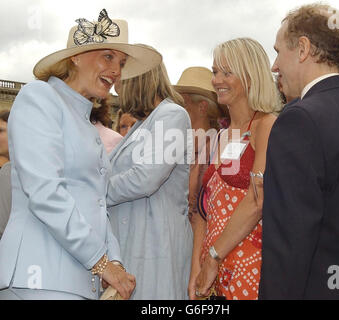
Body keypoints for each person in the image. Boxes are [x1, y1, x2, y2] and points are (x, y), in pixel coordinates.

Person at [0, 9, 161, 300]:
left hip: (77, 283)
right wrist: (102, 263)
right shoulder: (39, 97)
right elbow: (45, 191)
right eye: (108, 57)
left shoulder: (87, 126)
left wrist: (115, 262)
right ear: (75, 56)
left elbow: (99, 204)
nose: (116, 71)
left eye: (121, 63)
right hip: (38, 280)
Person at [259, 4, 339, 299]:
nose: (274, 65)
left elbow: (288, 246)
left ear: (303, 49)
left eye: (278, 51)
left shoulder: (299, 120)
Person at [193, 38, 281, 300]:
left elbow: (257, 199)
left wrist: (212, 257)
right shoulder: (219, 137)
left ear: (250, 75)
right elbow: (202, 211)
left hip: (249, 269)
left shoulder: (266, 126)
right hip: (211, 274)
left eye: (226, 72)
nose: (217, 80)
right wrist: (196, 267)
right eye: (214, 71)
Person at [106, 46, 193, 300]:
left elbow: (146, 178)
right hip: (139, 241)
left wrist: (96, 190)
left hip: (157, 244)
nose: (113, 77)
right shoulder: (146, 122)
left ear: (138, 77)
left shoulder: (172, 115)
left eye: (121, 68)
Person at [173, 66, 228, 299]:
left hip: (198, 249)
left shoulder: (215, 146)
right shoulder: (184, 145)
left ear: (202, 107)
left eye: (184, 102)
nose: (179, 108)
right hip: (184, 245)